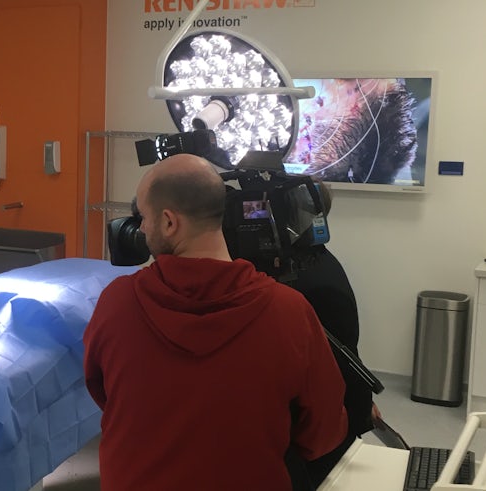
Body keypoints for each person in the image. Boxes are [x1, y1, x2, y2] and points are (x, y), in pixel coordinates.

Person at [83, 153, 348, 491]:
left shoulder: (117, 303)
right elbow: (323, 435)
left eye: (144, 217)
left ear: (169, 222)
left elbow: (104, 395)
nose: (142, 228)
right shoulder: (289, 311)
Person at [291, 179, 379, 488]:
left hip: (326, 425)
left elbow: (336, 359)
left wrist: (359, 405)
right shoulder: (317, 261)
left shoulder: (307, 279)